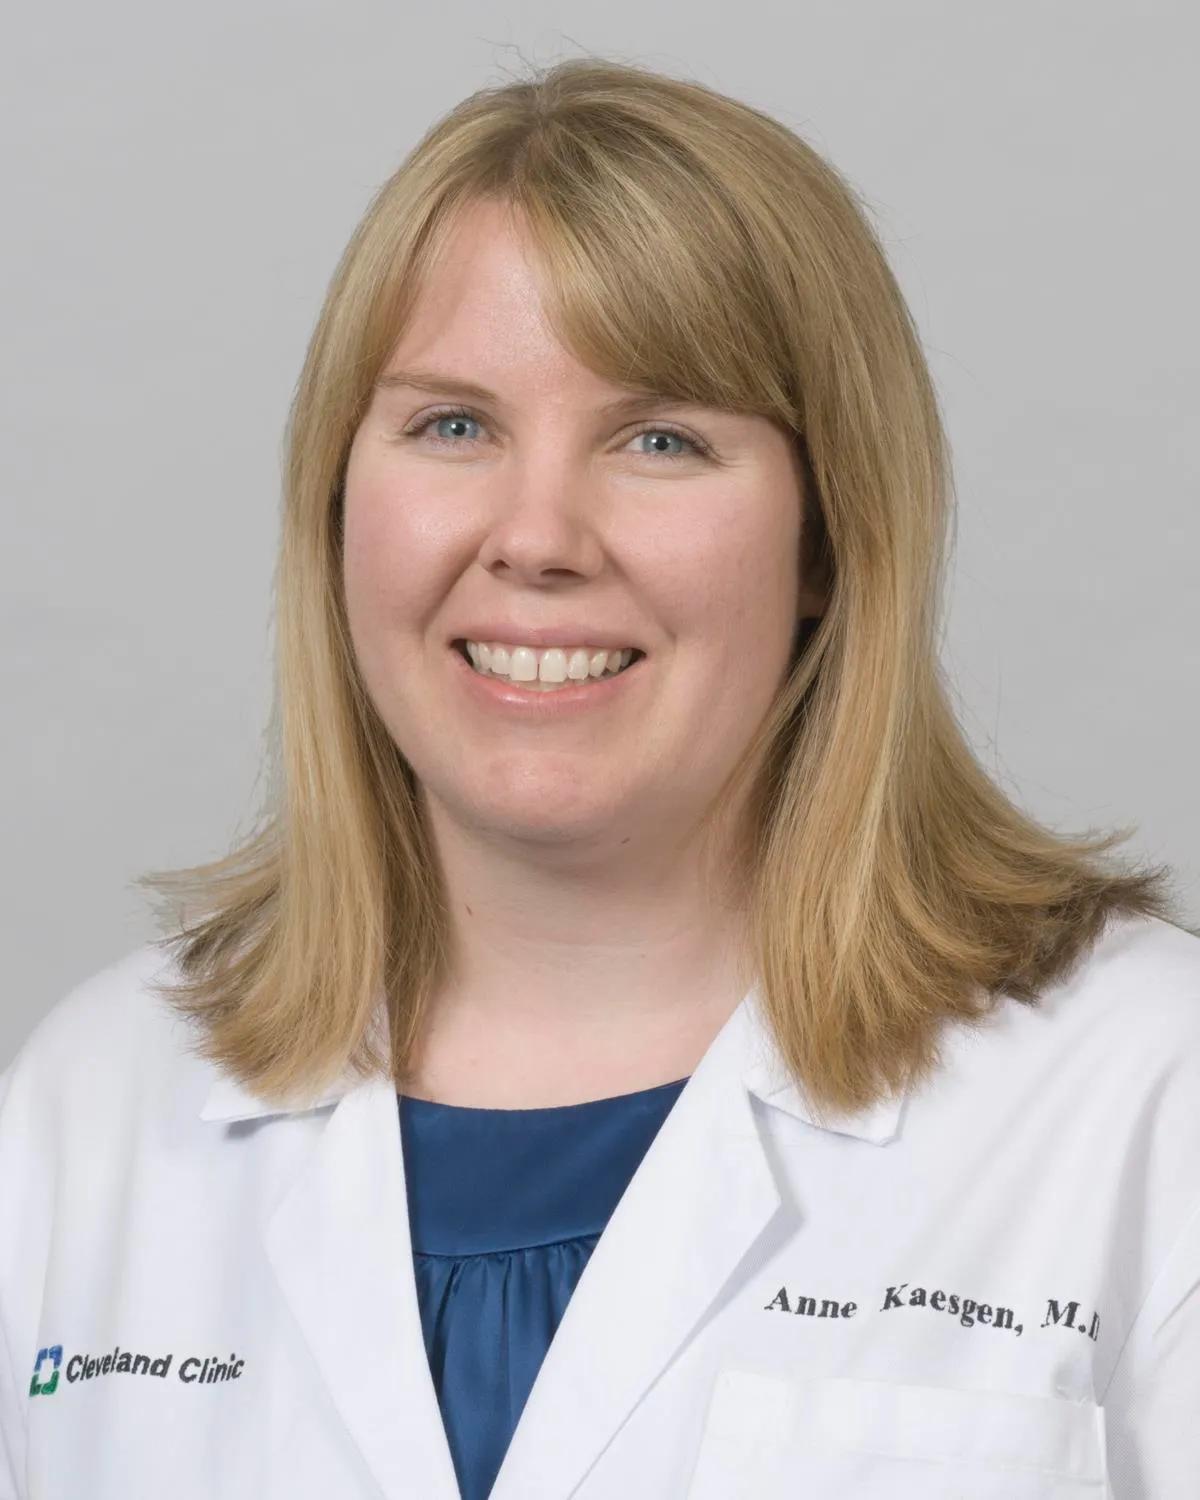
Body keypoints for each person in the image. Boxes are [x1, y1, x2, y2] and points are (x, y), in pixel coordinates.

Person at [2, 54, 1197, 1500]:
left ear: (827, 539)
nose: (538, 537)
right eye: (454, 425)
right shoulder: (91, 1107)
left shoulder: (1146, 1097)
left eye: (660, 438)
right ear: (337, 499)